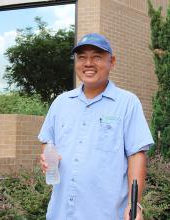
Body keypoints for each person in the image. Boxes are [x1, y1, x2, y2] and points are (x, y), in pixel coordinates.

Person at [38, 33, 154, 220]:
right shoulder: (61, 102)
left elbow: (136, 155)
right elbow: (47, 141)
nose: (88, 63)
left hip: (107, 214)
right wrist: (48, 157)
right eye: (82, 57)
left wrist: (135, 205)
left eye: (97, 57)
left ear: (112, 62)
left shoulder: (127, 103)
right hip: (60, 213)